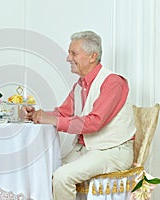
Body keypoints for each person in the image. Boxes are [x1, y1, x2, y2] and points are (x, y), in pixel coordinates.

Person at [19, 30, 135, 200]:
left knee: (62, 177)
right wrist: (35, 114)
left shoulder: (113, 82)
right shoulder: (80, 85)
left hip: (112, 151)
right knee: (42, 172)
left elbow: (93, 123)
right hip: (87, 149)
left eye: (73, 53)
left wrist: (50, 119)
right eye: (69, 53)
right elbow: (62, 112)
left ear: (92, 56)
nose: (68, 58)